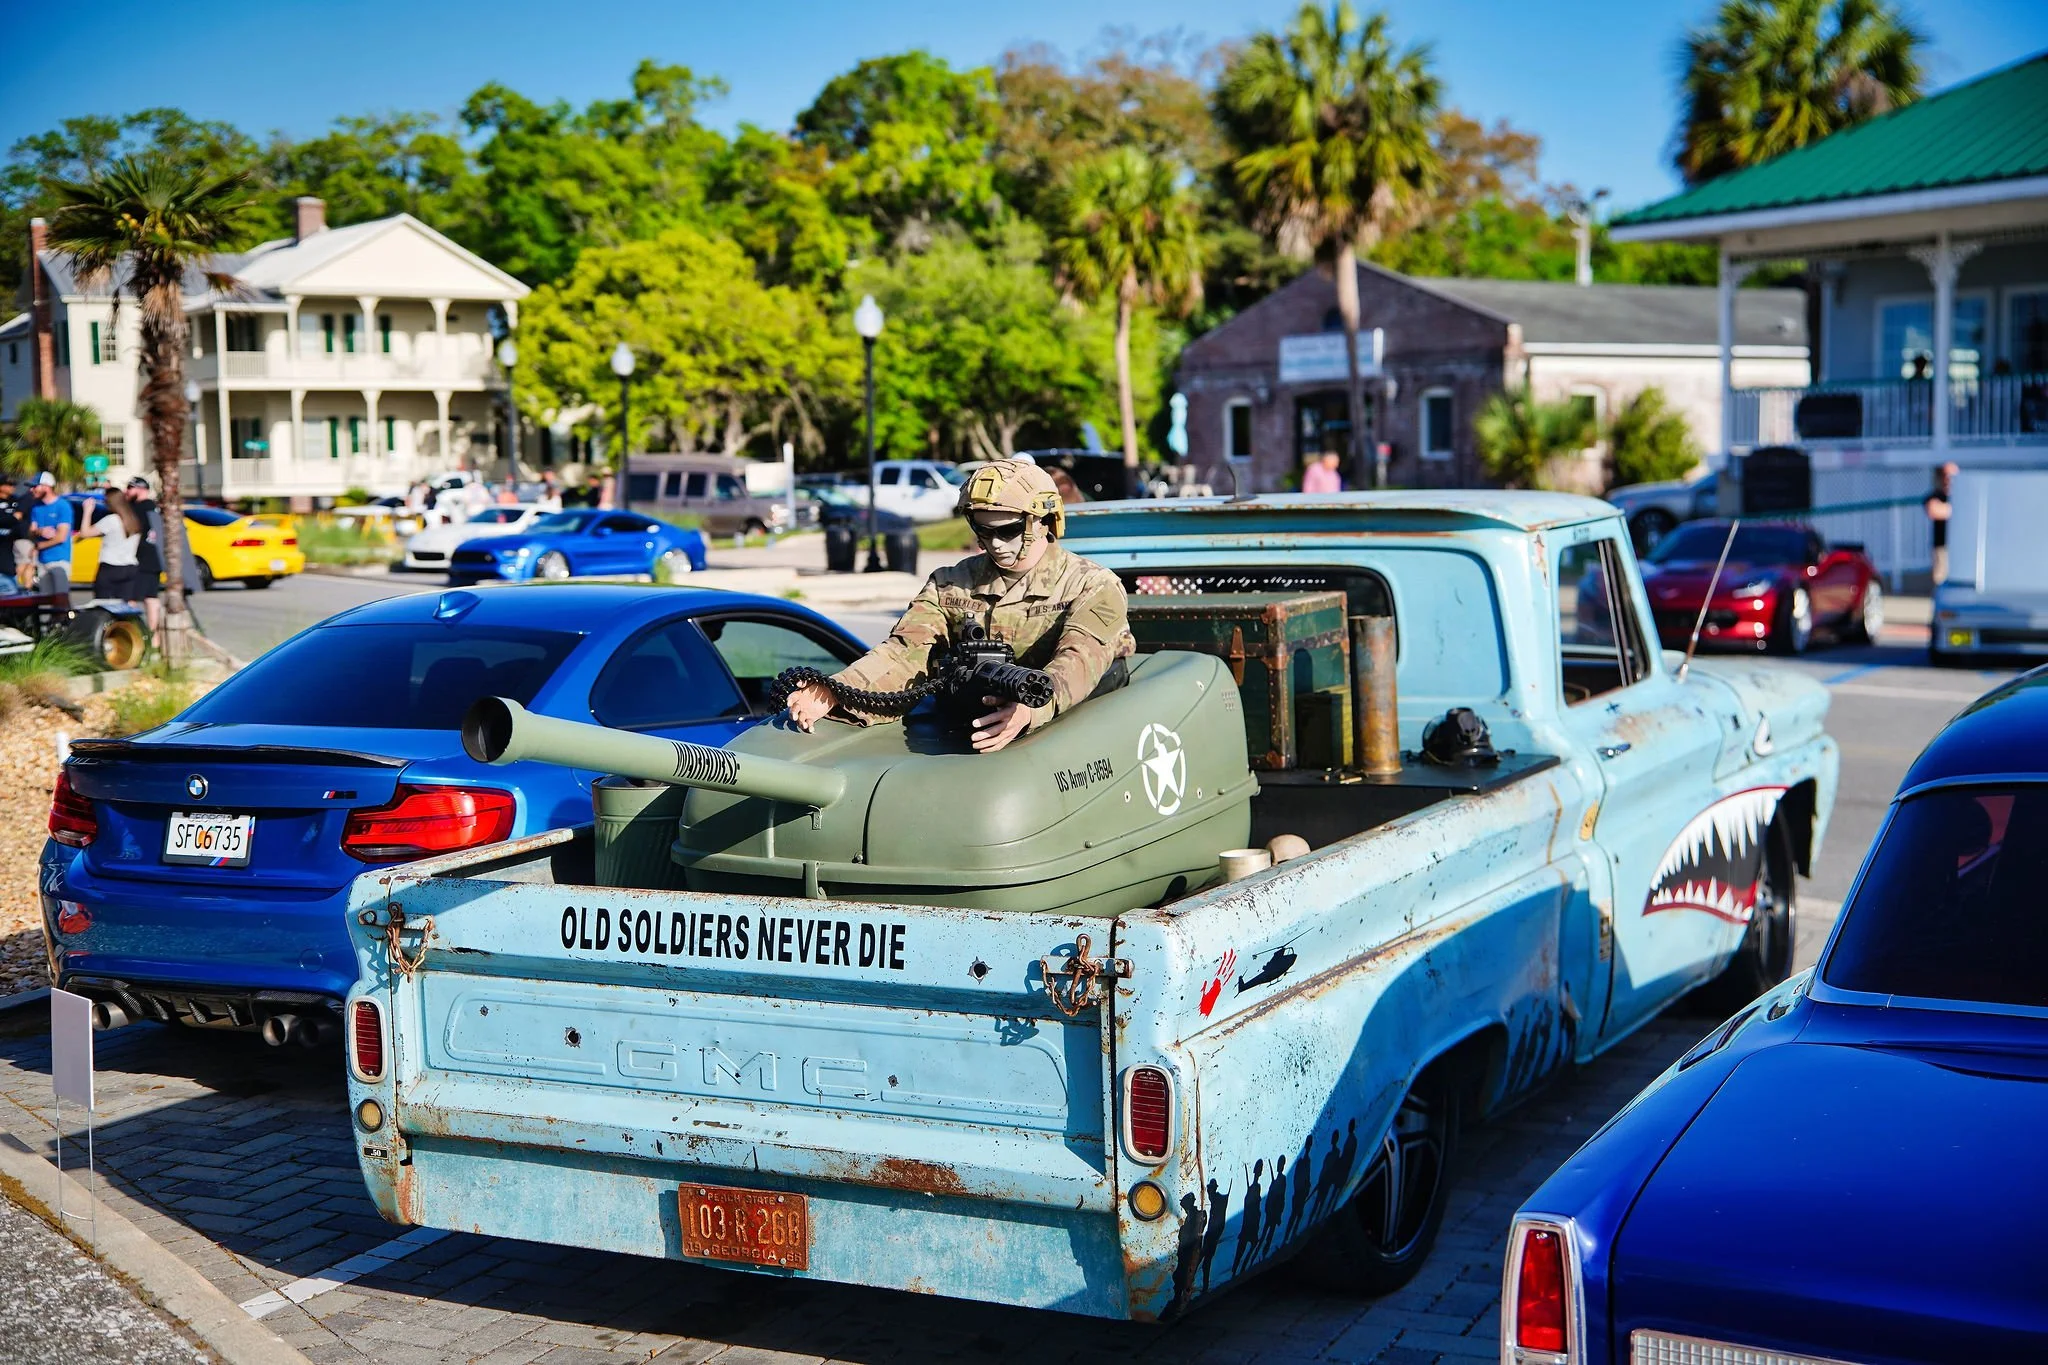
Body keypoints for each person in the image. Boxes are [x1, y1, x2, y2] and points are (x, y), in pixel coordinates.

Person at [784, 459, 1135, 754]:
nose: (994, 544)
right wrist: (836, 690)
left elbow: (1078, 663)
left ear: (1043, 520)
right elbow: (904, 652)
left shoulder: (1092, 585)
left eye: (1008, 530)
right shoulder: (950, 583)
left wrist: (1030, 709)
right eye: (983, 531)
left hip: (1070, 733)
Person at [76, 486, 145, 606]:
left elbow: (85, 533)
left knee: (103, 605)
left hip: (110, 567)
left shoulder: (111, 520)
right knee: (127, 606)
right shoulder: (133, 519)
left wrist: (87, 511)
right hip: (130, 567)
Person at [28, 472, 74, 596]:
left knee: (61, 599)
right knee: (45, 600)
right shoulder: (36, 507)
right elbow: (31, 531)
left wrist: (38, 546)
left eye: (35, 486)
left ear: (46, 486)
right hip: (42, 560)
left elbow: (61, 537)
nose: (31, 490)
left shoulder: (62, 506)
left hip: (59, 559)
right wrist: (40, 531)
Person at [1926, 460, 1959, 585]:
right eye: (1945, 475)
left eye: (1951, 476)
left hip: (1960, 548)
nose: (1948, 479)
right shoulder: (1936, 495)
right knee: (1941, 580)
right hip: (1941, 547)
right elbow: (1934, 510)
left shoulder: (1961, 495)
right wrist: (1954, 510)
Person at [0, 472, 32, 589]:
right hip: (4, 543)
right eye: (8, 484)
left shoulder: (16, 501)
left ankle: (26, 587)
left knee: (28, 562)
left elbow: (22, 517)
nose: (12, 487)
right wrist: (14, 517)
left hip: (17, 539)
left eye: (13, 485)